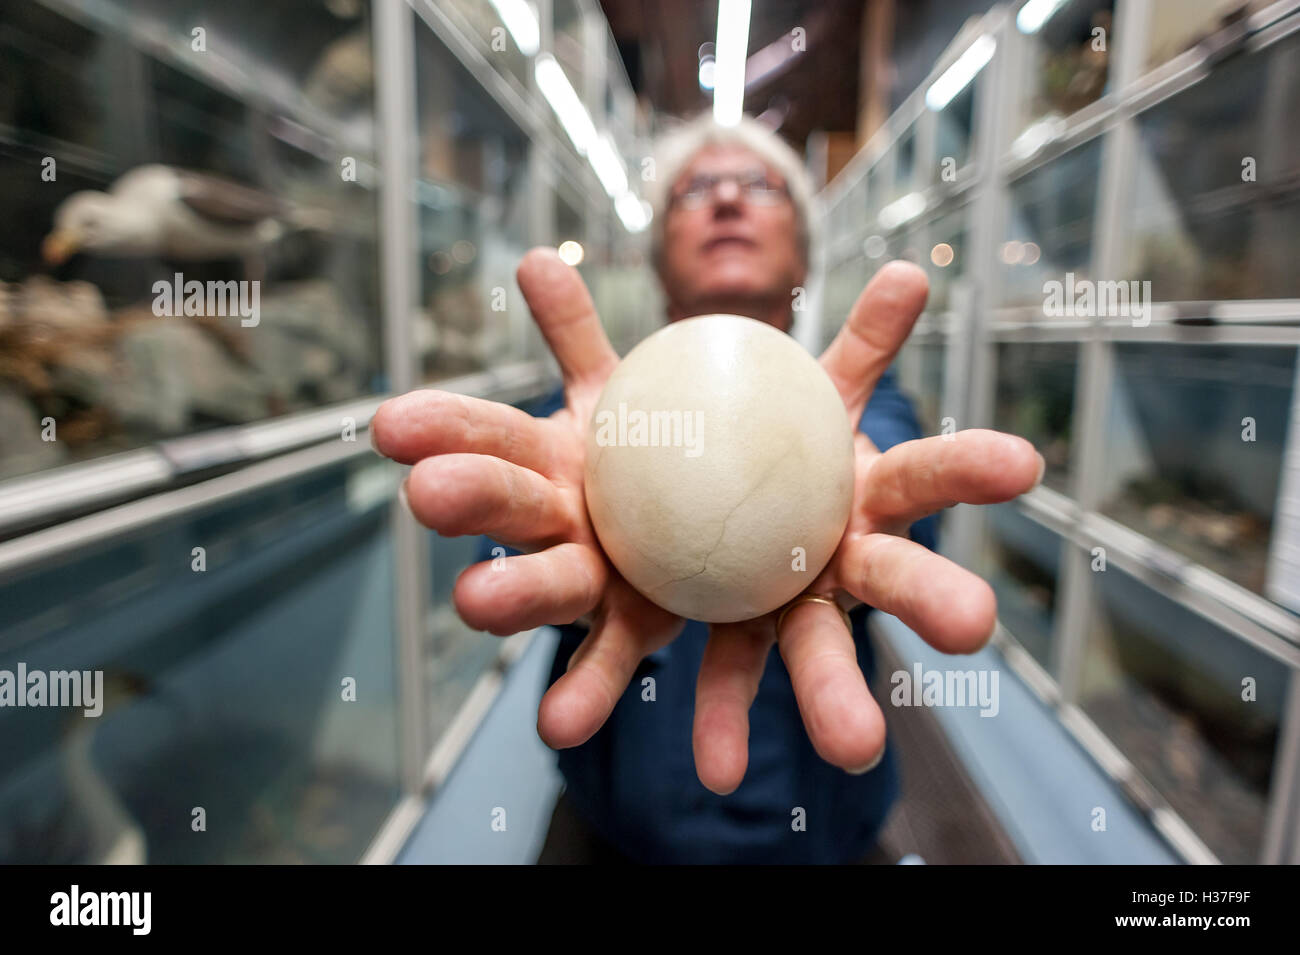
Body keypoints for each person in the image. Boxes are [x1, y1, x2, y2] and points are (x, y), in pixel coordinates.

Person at [370, 113, 1043, 864]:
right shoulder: (585, 425)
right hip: (612, 833)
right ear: (657, 266)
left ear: (804, 260)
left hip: (818, 836)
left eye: (758, 186)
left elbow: (893, 491)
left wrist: (856, 504)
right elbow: (510, 531)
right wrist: (542, 530)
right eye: (695, 190)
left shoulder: (863, 414)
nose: (726, 200)